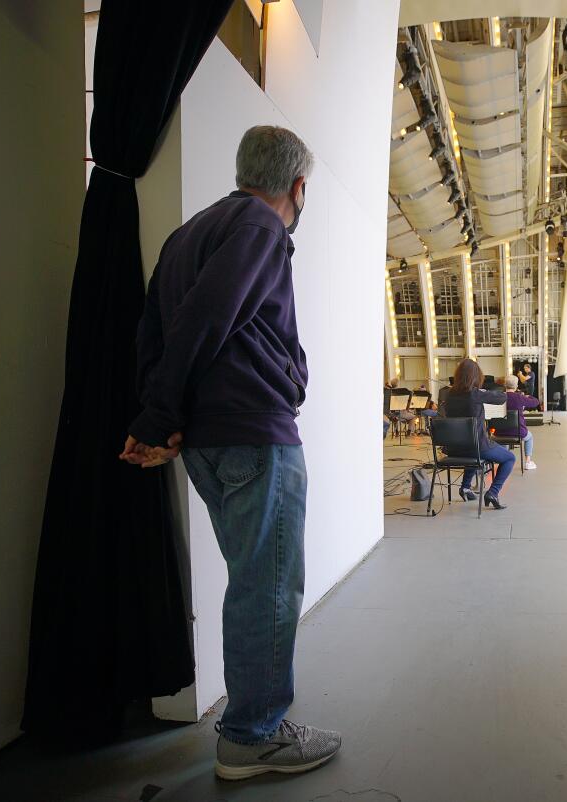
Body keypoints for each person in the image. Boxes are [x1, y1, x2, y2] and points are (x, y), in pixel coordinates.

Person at [119, 125, 341, 781]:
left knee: (253, 582)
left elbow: (152, 333)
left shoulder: (187, 235)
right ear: (298, 187)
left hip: (212, 440)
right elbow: (209, 316)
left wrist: (170, 418)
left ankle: (253, 723)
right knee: (268, 587)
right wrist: (161, 416)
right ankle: (252, 735)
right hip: (255, 435)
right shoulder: (259, 228)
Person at [443, 358, 515, 509]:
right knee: (509, 458)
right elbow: (502, 398)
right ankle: (493, 492)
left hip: (453, 448)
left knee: (475, 450)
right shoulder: (475, 394)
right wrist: (499, 386)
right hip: (475, 447)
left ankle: (465, 487)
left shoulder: (449, 395)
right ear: (476, 377)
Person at [500, 374, 540, 469]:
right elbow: (536, 402)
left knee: (504, 438)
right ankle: (528, 462)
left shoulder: (499, 397)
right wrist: (528, 396)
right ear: (516, 386)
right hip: (518, 432)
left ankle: (504, 460)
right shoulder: (519, 397)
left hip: (500, 432)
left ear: (505, 385)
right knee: (529, 437)